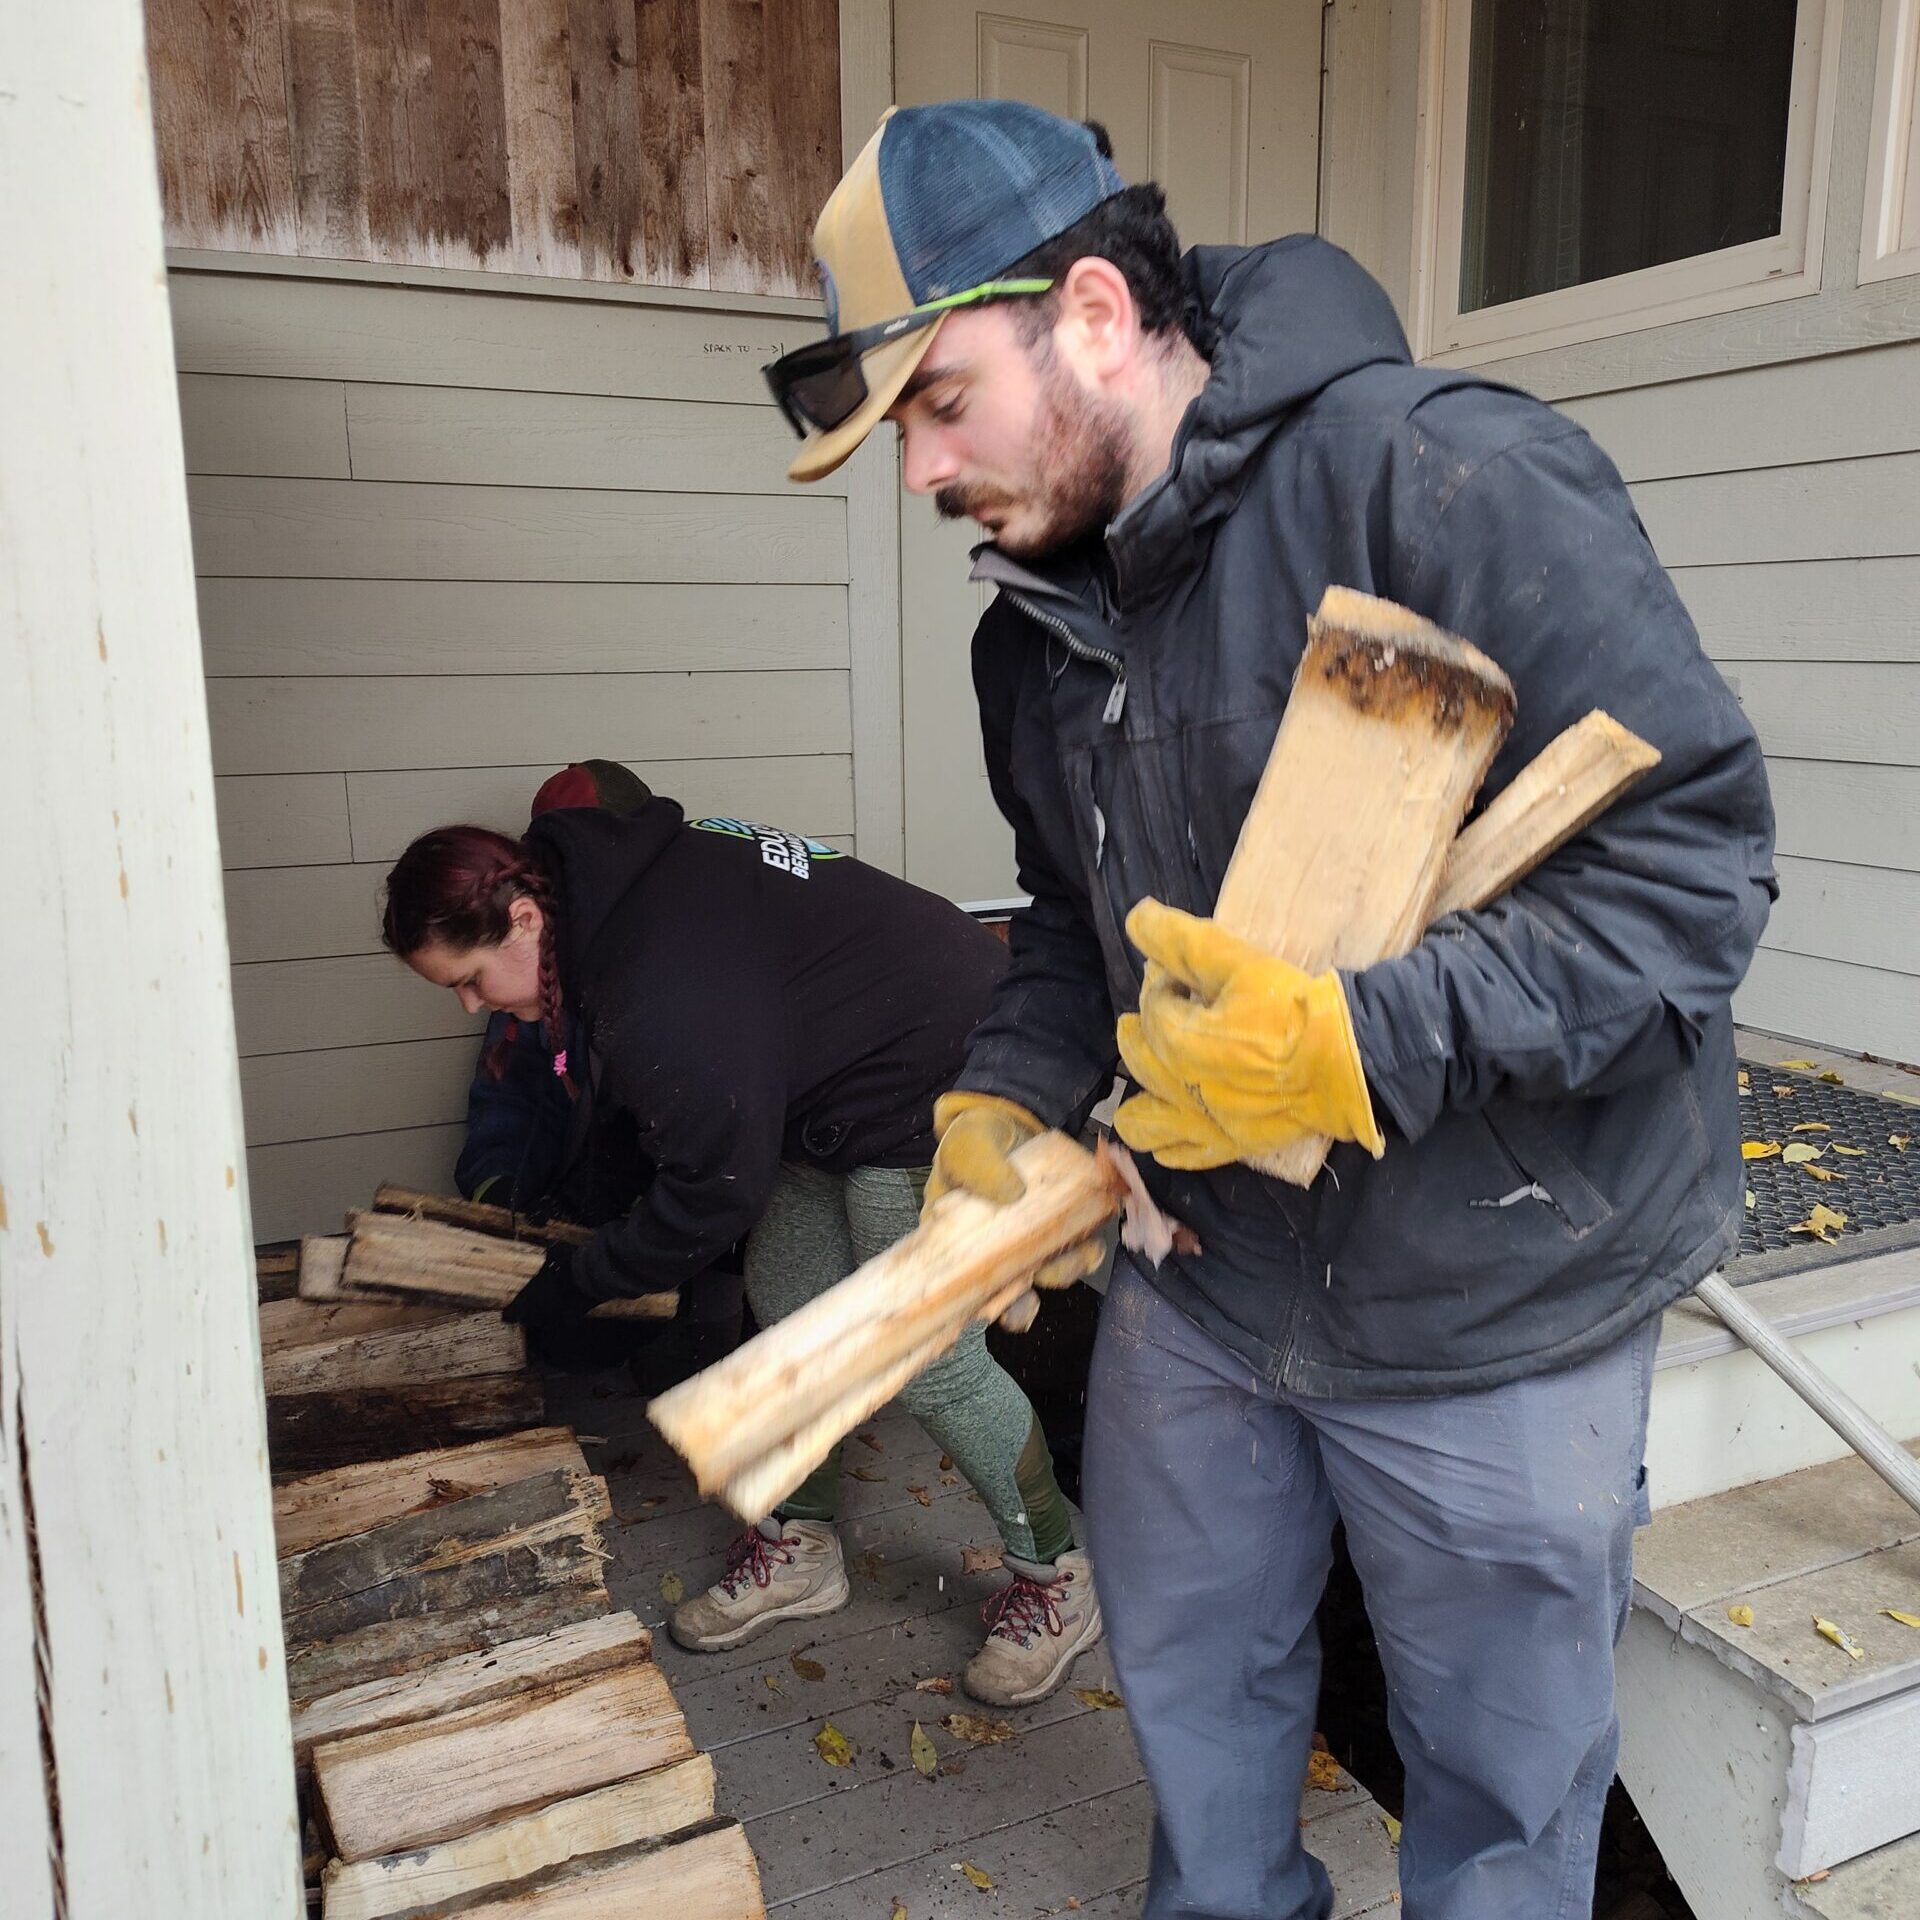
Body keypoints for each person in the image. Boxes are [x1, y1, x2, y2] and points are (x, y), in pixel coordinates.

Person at [771, 100, 1776, 1920]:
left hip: (1499, 1294)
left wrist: (1356, 1041)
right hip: (1208, 1284)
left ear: (1090, 312)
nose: (920, 471)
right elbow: (1080, 941)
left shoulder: (1434, 478)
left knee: (1499, 1797)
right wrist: (999, 1102)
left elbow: (1687, 881)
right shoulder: (1032, 633)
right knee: (1200, 1709)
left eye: (937, 403)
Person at [379, 791, 1106, 1705]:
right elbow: (685, 1136)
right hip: (835, 1086)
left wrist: (584, 1279)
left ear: (524, 916)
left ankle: (1056, 1581)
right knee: (788, 1291)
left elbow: (711, 1195)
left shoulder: (653, 978)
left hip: (955, 1075)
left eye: (473, 979)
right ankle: (803, 1548)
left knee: (926, 1355)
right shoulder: (603, 908)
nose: (467, 1005)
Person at [452, 759, 747, 1386]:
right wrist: (504, 1195)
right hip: (610, 1195)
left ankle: (715, 1326)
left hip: (715, 1181)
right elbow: (506, 1102)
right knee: (578, 1341)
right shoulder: (529, 972)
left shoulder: (699, 934)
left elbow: (736, 1129)